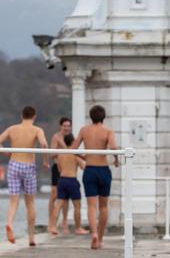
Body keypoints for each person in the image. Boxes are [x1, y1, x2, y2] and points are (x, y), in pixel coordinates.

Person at [0, 106, 49, 247]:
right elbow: (44, 144)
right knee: (30, 203)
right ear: (34, 116)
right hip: (29, 165)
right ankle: (31, 237)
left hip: (14, 165)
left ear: (21, 115)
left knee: (13, 201)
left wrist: (7, 153)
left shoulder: (12, 129)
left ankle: (9, 223)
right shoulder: (37, 130)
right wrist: (46, 161)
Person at [68, 105, 119, 250]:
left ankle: (94, 234)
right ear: (104, 117)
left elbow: (73, 149)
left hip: (89, 169)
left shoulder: (85, 130)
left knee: (91, 206)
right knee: (103, 206)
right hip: (103, 170)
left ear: (91, 116)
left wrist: (83, 157)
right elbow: (114, 147)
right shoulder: (108, 131)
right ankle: (100, 239)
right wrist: (116, 159)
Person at [48, 132, 87, 236]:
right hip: (72, 181)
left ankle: (53, 226)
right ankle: (78, 228)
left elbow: (59, 169)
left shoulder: (60, 154)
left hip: (62, 180)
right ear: (73, 142)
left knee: (58, 205)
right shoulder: (75, 154)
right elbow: (83, 167)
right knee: (77, 206)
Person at [47, 117, 76, 234]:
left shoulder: (71, 138)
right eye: (65, 126)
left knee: (65, 198)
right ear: (61, 126)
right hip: (57, 168)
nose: (67, 128)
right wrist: (63, 149)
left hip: (68, 169)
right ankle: (51, 222)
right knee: (54, 195)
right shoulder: (56, 137)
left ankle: (64, 222)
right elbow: (52, 154)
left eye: (68, 126)